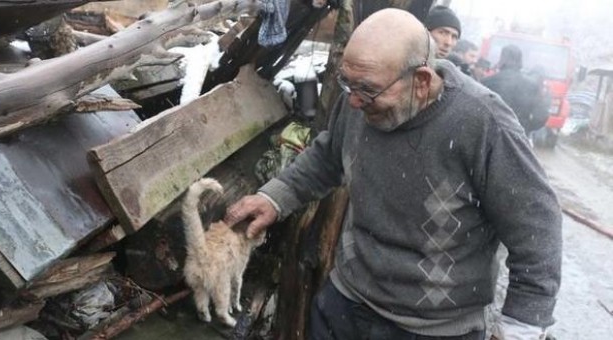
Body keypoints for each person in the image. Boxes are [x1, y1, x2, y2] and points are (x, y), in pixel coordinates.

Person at [226, 8, 561, 340]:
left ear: (422, 81)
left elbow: (536, 228)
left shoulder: (483, 124)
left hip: (434, 330)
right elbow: (328, 156)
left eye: (368, 90)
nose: (354, 101)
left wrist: (521, 326)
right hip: (345, 302)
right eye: (348, 83)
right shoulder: (358, 97)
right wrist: (276, 196)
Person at [481, 45, 549, 135]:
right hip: (518, 136)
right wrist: (526, 128)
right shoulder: (531, 85)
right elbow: (541, 116)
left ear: (502, 59)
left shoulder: (487, 82)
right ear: (520, 60)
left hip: (490, 135)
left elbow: (477, 111)